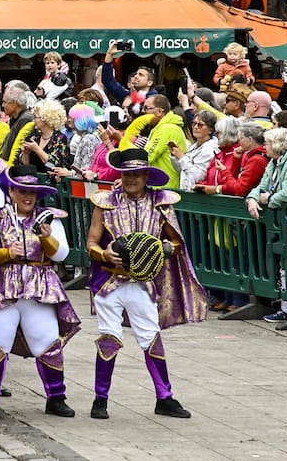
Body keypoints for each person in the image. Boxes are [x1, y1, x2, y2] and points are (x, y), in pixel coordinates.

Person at [85, 148, 208, 420]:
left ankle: (165, 397)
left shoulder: (161, 203)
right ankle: (100, 399)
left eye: (137, 173)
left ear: (146, 175)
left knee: (151, 337)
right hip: (109, 281)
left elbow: (177, 243)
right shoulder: (105, 202)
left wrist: (161, 248)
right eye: (127, 173)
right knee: (109, 337)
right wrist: (103, 253)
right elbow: (91, 242)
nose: (131, 179)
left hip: (143, 283)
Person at [0, 165, 80, 423]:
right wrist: (7, 253)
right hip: (3, 289)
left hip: (39, 289)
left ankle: (56, 398)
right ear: (11, 191)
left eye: (32, 191)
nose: (27, 197)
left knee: (48, 342)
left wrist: (46, 239)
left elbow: (62, 254)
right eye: (22, 191)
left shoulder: (50, 219)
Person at [174, 110, 219, 191]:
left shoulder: (210, 149)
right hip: (186, 192)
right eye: (194, 123)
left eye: (200, 125)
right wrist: (175, 155)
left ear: (210, 130)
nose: (195, 127)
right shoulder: (194, 146)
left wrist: (182, 157)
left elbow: (198, 177)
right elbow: (181, 170)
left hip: (199, 197)